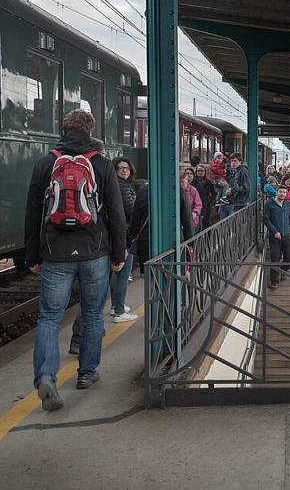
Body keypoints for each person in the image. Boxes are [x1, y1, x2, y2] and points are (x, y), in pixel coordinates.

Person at [24, 109, 126, 411]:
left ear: (64, 129)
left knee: (49, 317)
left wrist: (32, 255)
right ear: (91, 130)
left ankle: (45, 377)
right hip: (95, 253)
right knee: (93, 315)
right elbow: (117, 216)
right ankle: (87, 373)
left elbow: (32, 213)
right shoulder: (103, 164)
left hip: (55, 253)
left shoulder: (46, 162)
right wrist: (119, 255)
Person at [128, 183, 194, 269]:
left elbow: (135, 220)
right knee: (173, 274)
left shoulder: (143, 191)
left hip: (147, 240)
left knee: (150, 276)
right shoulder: (179, 191)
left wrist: (130, 240)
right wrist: (190, 242)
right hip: (173, 241)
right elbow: (187, 220)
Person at [109, 157, 138, 322]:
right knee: (123, 273)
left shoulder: (119, 185)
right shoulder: (122, 186)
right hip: (125, 234)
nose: (124, 170)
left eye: (126, 168)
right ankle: (119, 311)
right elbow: (131, 210)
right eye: (120, 168)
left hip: (119, 234)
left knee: (118, 272)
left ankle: (116, 306)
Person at [263, 185, 290, 289]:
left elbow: (289, 219)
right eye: (280, 192)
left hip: (286, 235)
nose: (282, 194)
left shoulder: (287, 204)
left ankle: (283, 271)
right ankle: (274, 281)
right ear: (277, 192)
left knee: (289, 258)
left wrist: (289, 230)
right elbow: (266, 219)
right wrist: (274, 231)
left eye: (284, 192)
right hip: (275, 236)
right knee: (275, 259)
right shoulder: (269, 204)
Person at [192, 164, 215, 229]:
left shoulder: (208, 182)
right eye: (198, 171)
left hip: (206, 206)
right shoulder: (193, 182)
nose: (200, 172)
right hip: (195, 206)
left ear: (205, 172)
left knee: (206, 224)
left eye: (202, 171)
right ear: (196, 172)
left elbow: (214, 193)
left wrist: (211, 201)